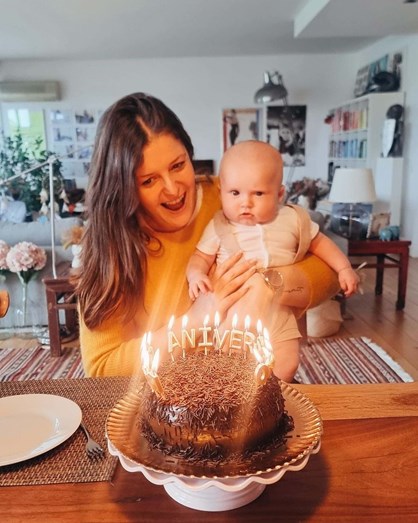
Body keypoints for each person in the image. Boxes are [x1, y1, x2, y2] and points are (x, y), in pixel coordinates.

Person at [75, 93, 341, 379]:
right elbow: (101, 369)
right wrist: (195, 320)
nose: (173, 189)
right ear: (123, 186)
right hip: (167, 405)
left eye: (178, 165)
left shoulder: (234, 195)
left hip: (262, 388)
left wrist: (268, 287)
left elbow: (330, 274)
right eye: (149, 180)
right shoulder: (111, 246)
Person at [186, 140, 360, 380]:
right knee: (229, 365)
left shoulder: (292, 219)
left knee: (287, 363)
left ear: (279, 194)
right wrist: (196, 274)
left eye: (258, 193)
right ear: (221, 192)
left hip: (279, 311)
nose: (245, 203)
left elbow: (319, 242)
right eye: (235, 193)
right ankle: (239, 399)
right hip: (234, 316)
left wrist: (344, 268)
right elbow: (200, 257)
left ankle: (270, 397)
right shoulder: (219, 226)